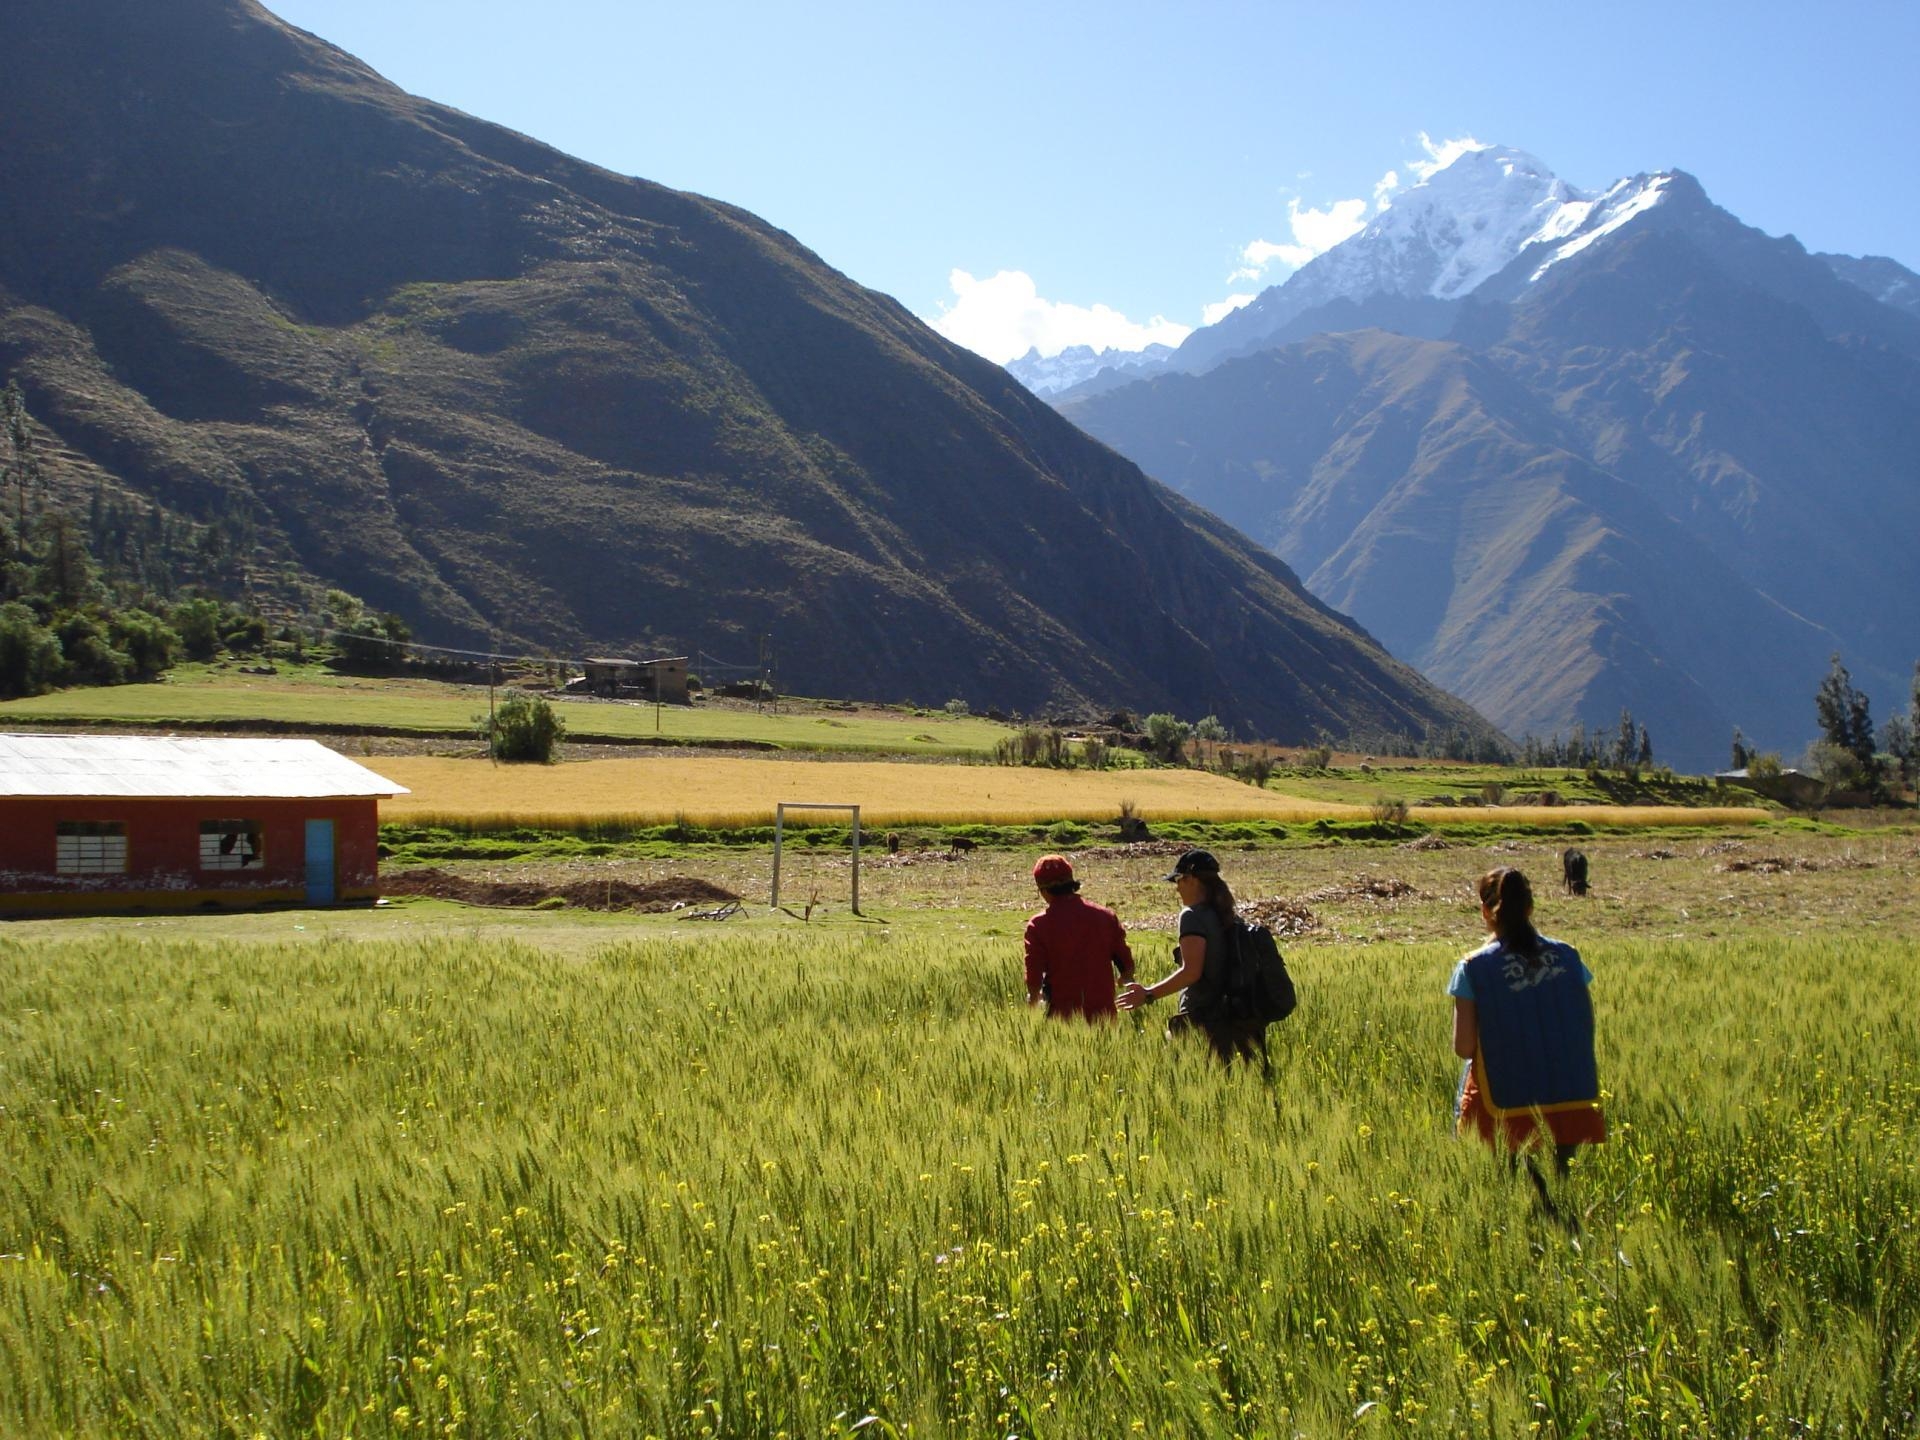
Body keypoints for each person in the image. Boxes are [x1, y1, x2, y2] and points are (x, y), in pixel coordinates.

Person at [1448, 866, 1606, 1204]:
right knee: (1558, 1201)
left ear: (1485, 912)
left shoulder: (1472, 967)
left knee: (1507, 1200)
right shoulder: (1568, 955)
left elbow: (1464, 1048)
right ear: (1530, 907)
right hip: (1570, 1099)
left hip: (1503, 1108)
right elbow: (1585, 1025)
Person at [1117, 848, 1266, 1067]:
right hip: (1240, 1020)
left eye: (1178, 880)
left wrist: (1148, 994)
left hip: (1204, 1021)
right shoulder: (1232, 917)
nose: (1176, 888)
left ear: (1192, 879)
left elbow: (1192, 971)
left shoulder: (1192, 916)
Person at [1023, 854, 1135, 1020]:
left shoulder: (1038, 925)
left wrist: (1032, 1003)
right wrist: (1125, 979)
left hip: (1061, 1018)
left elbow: (1034, 978)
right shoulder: (1105, 917)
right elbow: (1126, 965)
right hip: (1104, 1015)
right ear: (1071, 882)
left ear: (1042, 889)